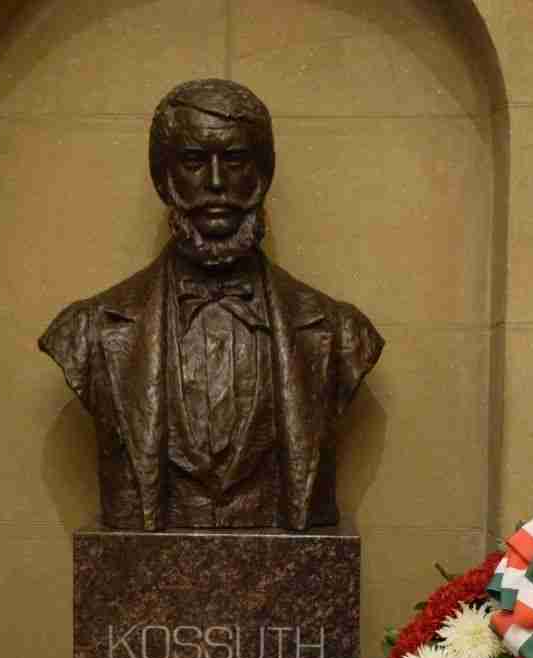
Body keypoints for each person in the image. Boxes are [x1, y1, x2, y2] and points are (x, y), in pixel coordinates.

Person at [39, 78, 383, 530]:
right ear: (164, 178)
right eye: (194, 161)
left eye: (236, 160)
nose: (216, 182)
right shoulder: (89, 331)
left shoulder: (339, 332)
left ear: (262, 176)